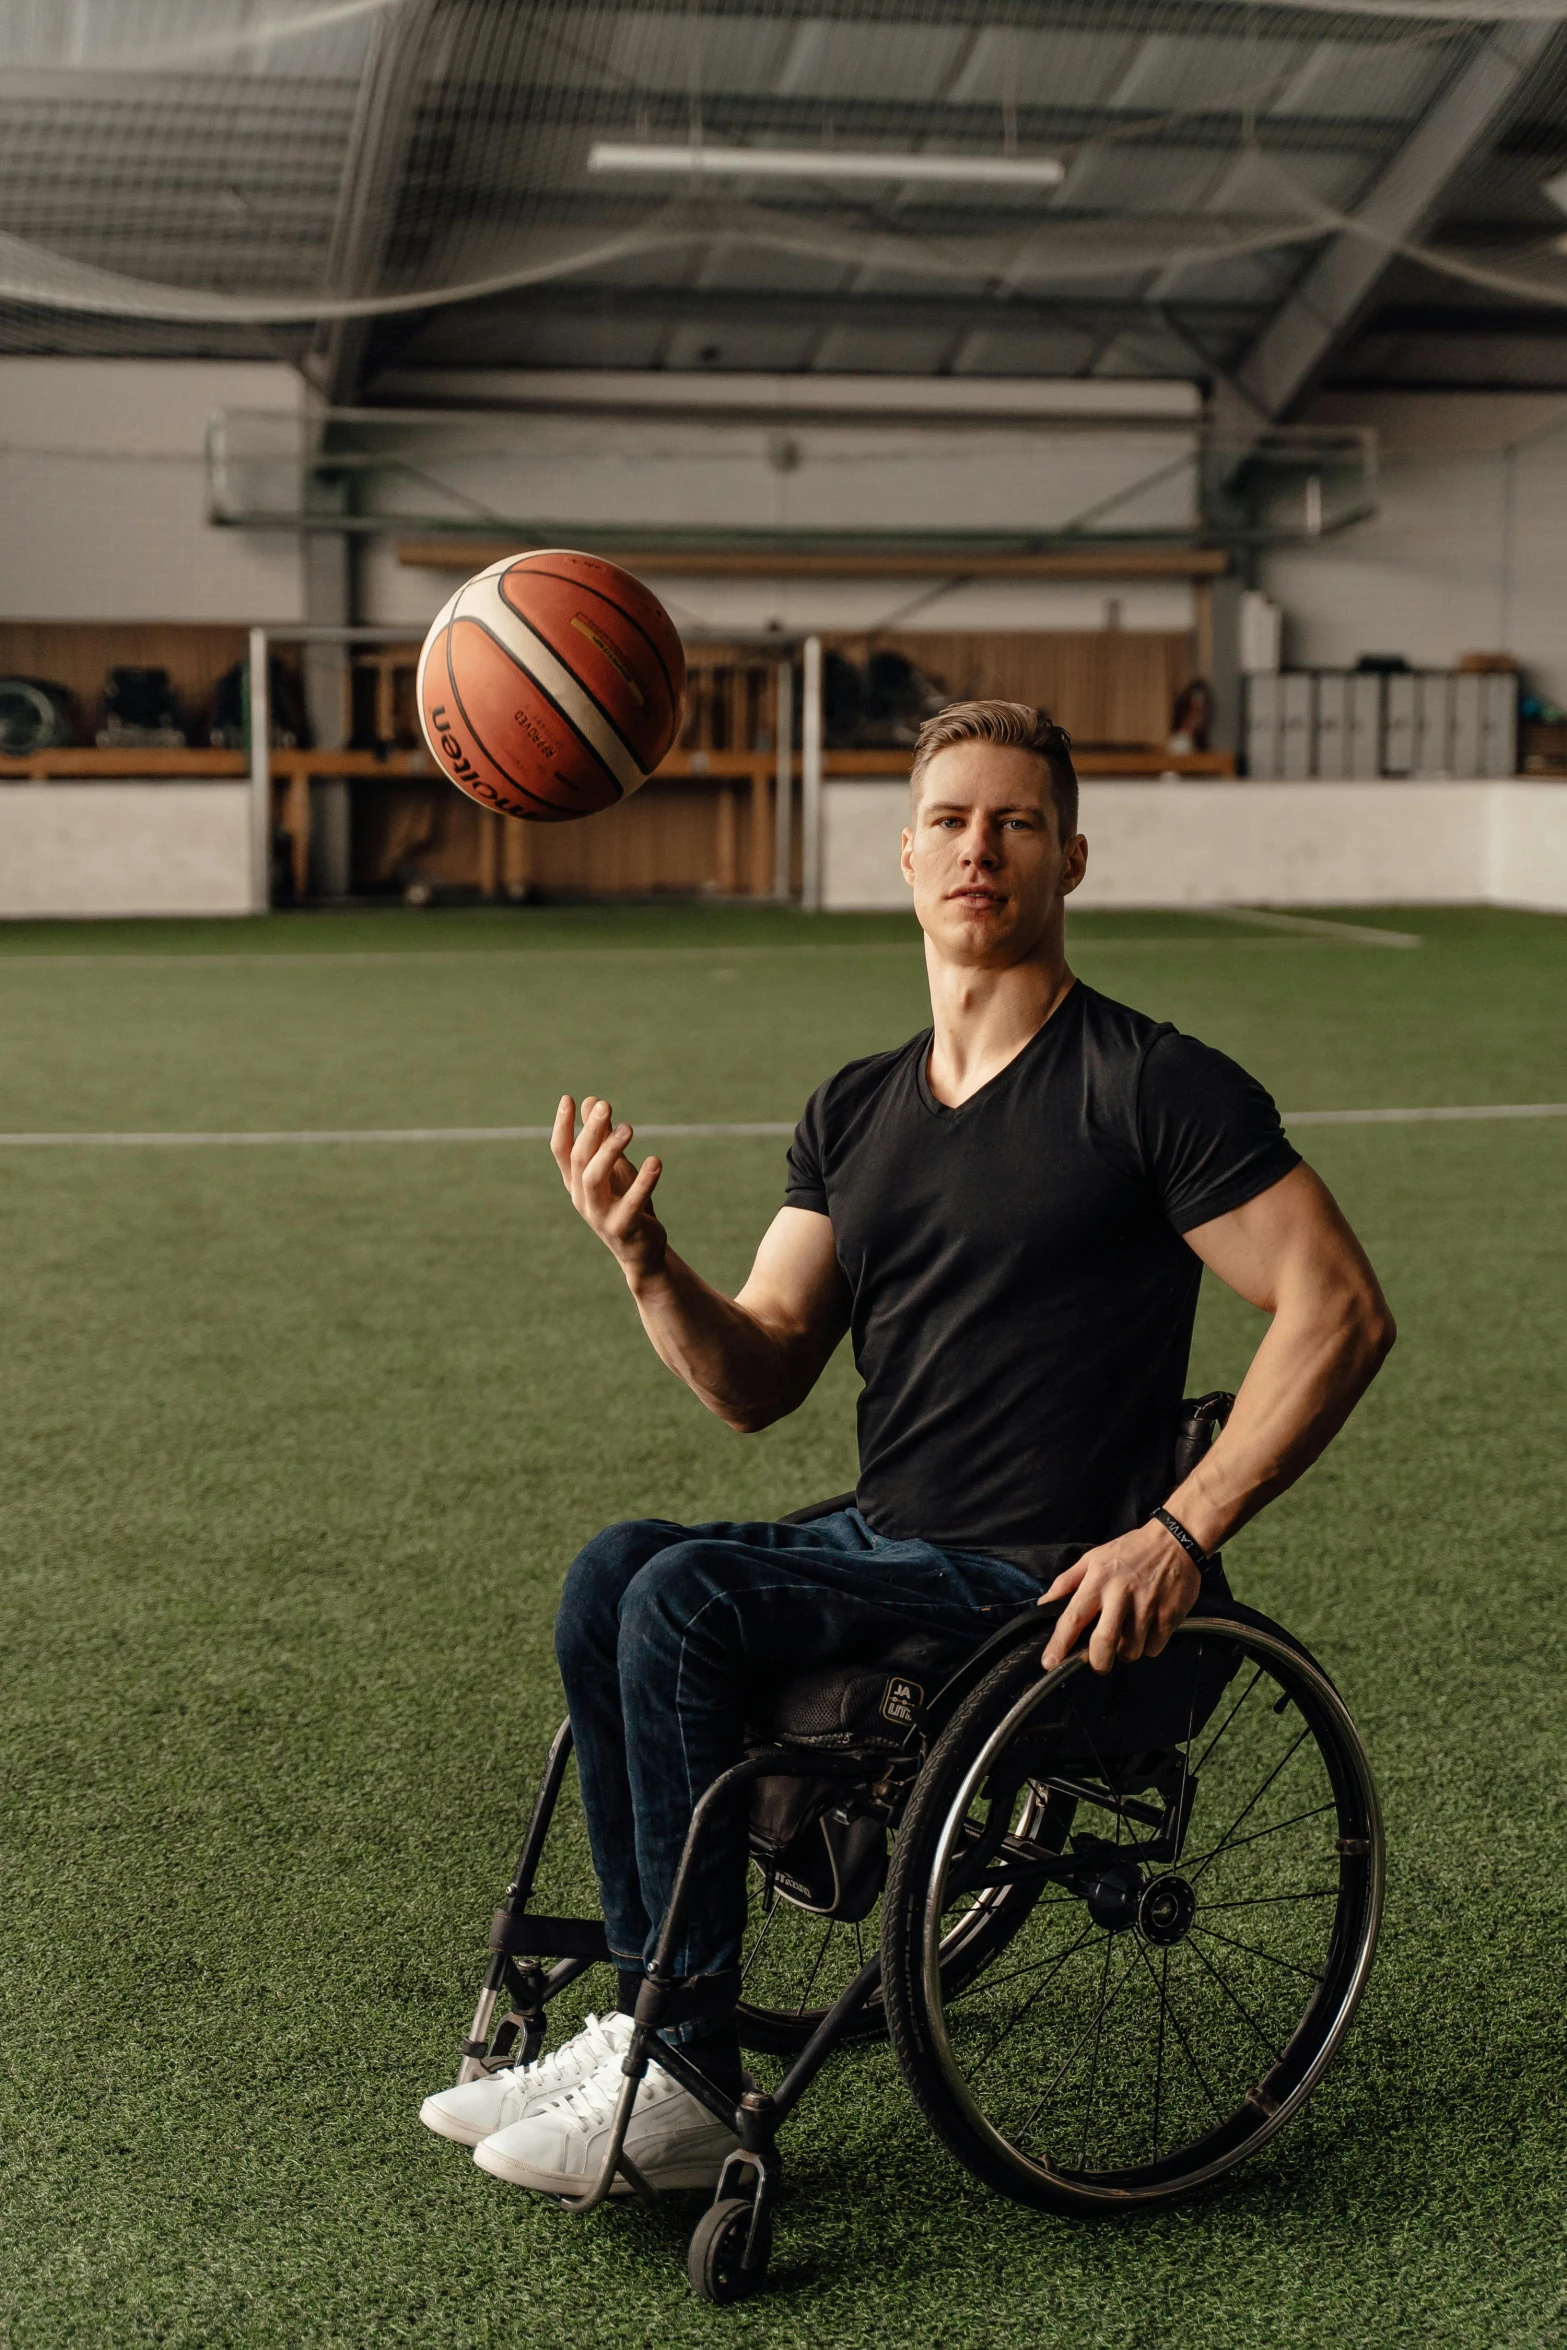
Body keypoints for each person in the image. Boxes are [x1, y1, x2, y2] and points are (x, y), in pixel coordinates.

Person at [420, 699, 1396, 2197]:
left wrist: (1181, 1533)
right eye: (949, 819)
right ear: (904, 855)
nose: (978, 848)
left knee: (684, 1598)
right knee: (613, 1569)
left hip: (1037, 1577)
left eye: (1014, 821)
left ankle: (679, 2077)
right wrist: (646, 1262)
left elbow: (1335, 1310)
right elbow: (756, 1375)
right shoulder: (858, 1107)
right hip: (889, 1539)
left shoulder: (1147, 1084)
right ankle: (645, 2023)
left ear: (1069, 855)